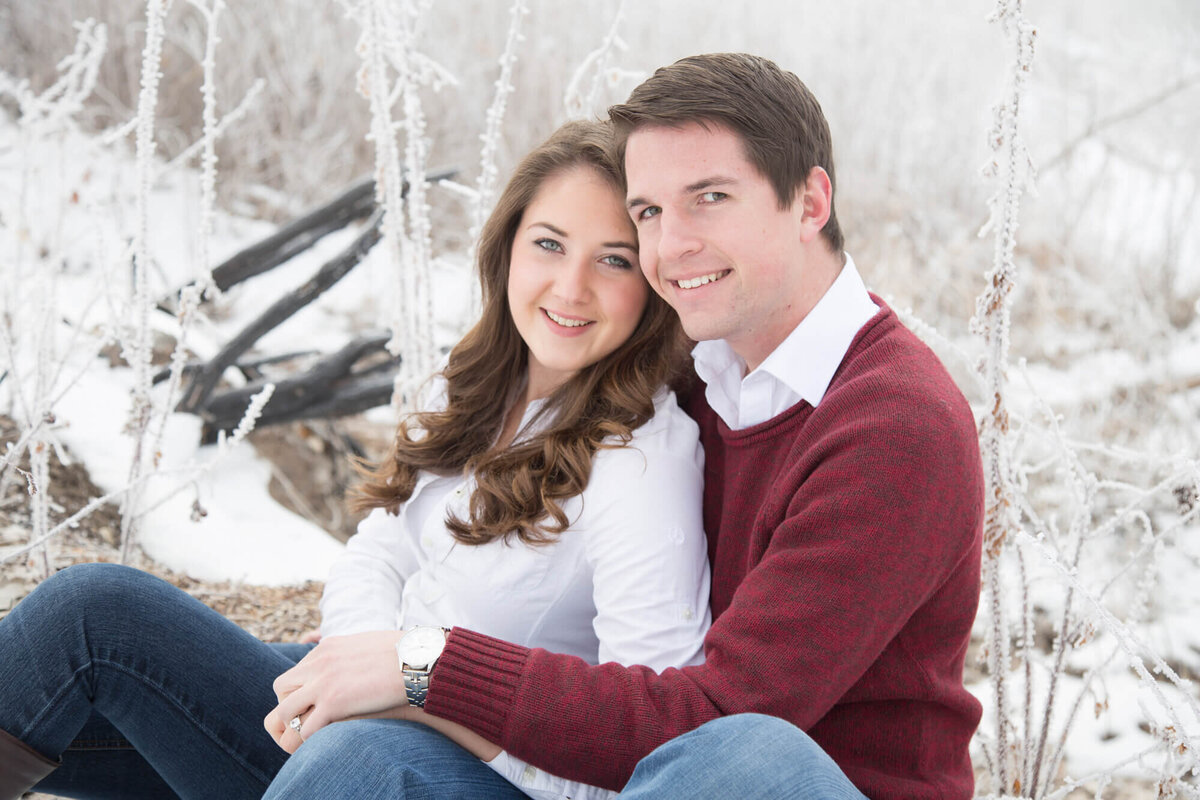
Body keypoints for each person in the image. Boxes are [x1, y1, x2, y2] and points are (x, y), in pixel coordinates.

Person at [261, 53, 985, 800]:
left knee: (747, 750)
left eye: (709, 198)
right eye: (649, 213)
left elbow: (707, 720)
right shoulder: (699, 367)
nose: (669, 248)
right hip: (633, 769)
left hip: (780, 783)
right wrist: (380, 663)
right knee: (137, 635)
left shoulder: (896, 430)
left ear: (809, 203)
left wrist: (425, 668)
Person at [0, 120, 712, 800]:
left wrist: (418, 696)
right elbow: (377, 556)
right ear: (507, 248)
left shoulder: (641, 462)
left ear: (651, 281)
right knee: (94, 614)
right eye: (549, 244)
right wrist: (358, 669)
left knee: (359, 759)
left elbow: (648, 754)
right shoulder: (479, 385)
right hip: (371, 728)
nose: (570, 287)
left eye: (613, 259)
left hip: (489, 777)